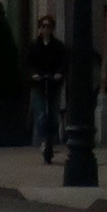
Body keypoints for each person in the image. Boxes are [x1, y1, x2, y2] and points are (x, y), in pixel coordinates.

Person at [29, 12, 67, 163]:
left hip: (53, 84)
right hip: (39, 85)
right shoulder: (35, 46)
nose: (46, 29)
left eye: (49, 26)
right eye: (44, 26)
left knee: (52, 114)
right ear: (40, 28)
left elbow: (63, 62)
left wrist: (59, 73)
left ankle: (52, 140)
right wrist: (33, 74)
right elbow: (29, 63)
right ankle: (42, 142)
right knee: (41, 114)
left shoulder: (57, 46)